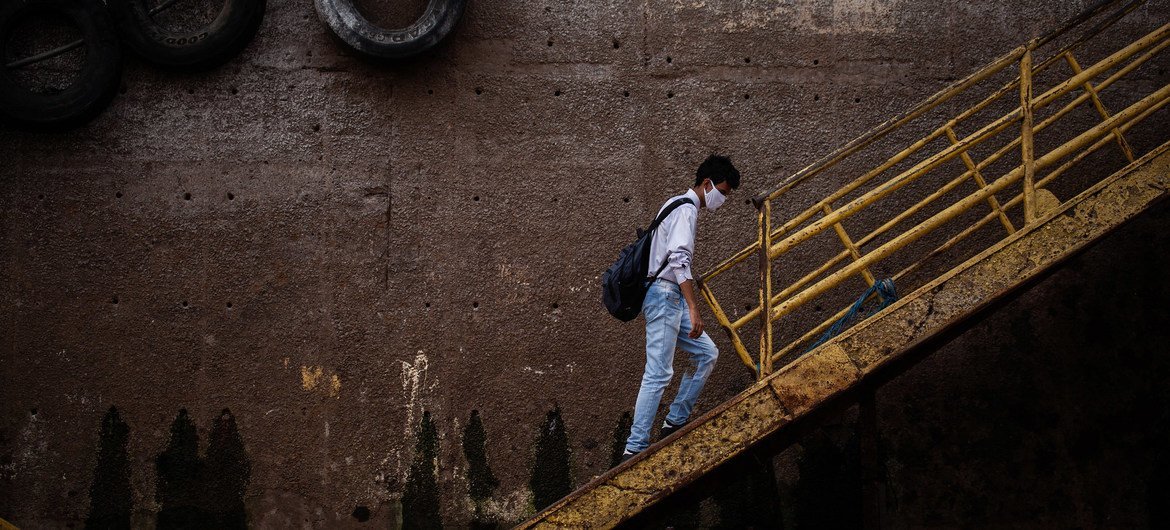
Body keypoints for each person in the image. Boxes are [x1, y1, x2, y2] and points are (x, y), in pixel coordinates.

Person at [621, 154, 740, 463]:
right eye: (723, 192)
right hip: (666, 296)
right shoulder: (686, 210)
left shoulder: (674, 204)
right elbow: (678, 261)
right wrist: (694, 308)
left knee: (706, 354)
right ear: (707, 183)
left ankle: (674, 422)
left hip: (665, 296)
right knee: (658, 373)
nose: (722, 200)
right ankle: (634, 449)